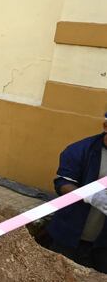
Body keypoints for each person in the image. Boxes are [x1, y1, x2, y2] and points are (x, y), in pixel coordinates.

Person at [35, 114, 107, 273]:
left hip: (102, 245)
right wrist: (90, 196)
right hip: (69, 235)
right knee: (55, 278)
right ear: (105, 127)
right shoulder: (80, 150)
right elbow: (63, 184)